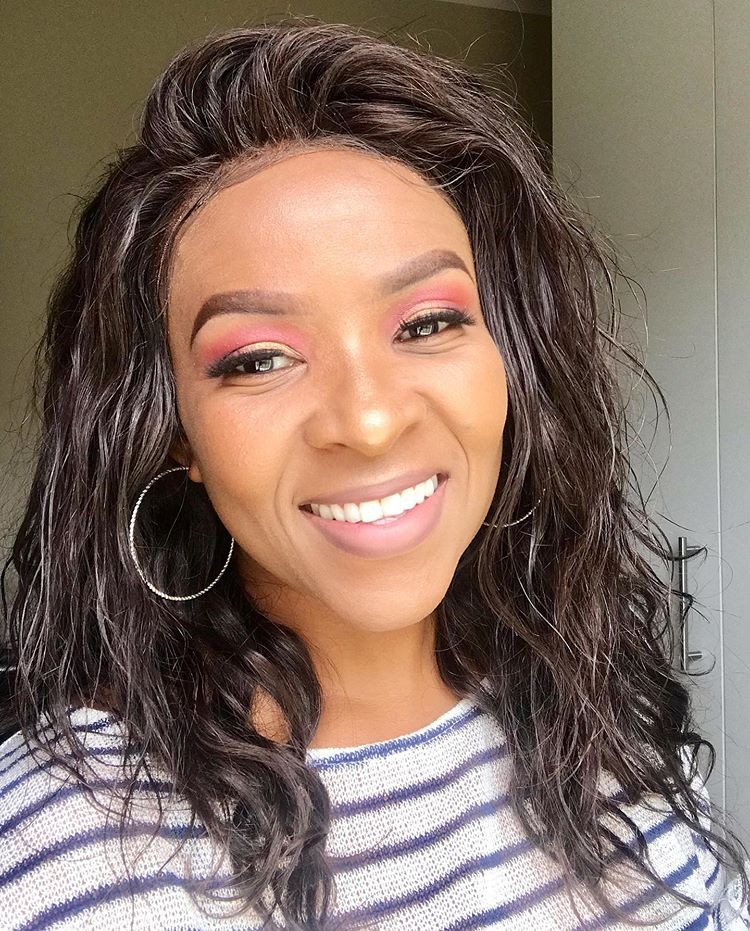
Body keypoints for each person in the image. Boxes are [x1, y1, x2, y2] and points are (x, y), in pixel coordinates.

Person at [0, 16, 748, 931]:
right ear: (174, 434)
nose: (369, 419)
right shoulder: (62, 858)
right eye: (258, 358)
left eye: (427, 323)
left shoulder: (592, 711)